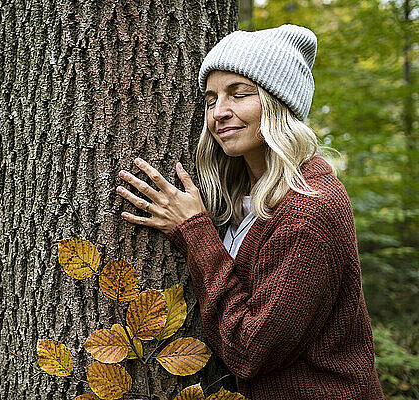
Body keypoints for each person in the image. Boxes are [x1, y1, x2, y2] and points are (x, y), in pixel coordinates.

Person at [116, 24, 384, 399]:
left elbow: (250, 351)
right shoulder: (243, 193)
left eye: (239, 94)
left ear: (279, 105)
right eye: (210, 100)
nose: (218, 113)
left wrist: (194, 232)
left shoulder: (309, 212)